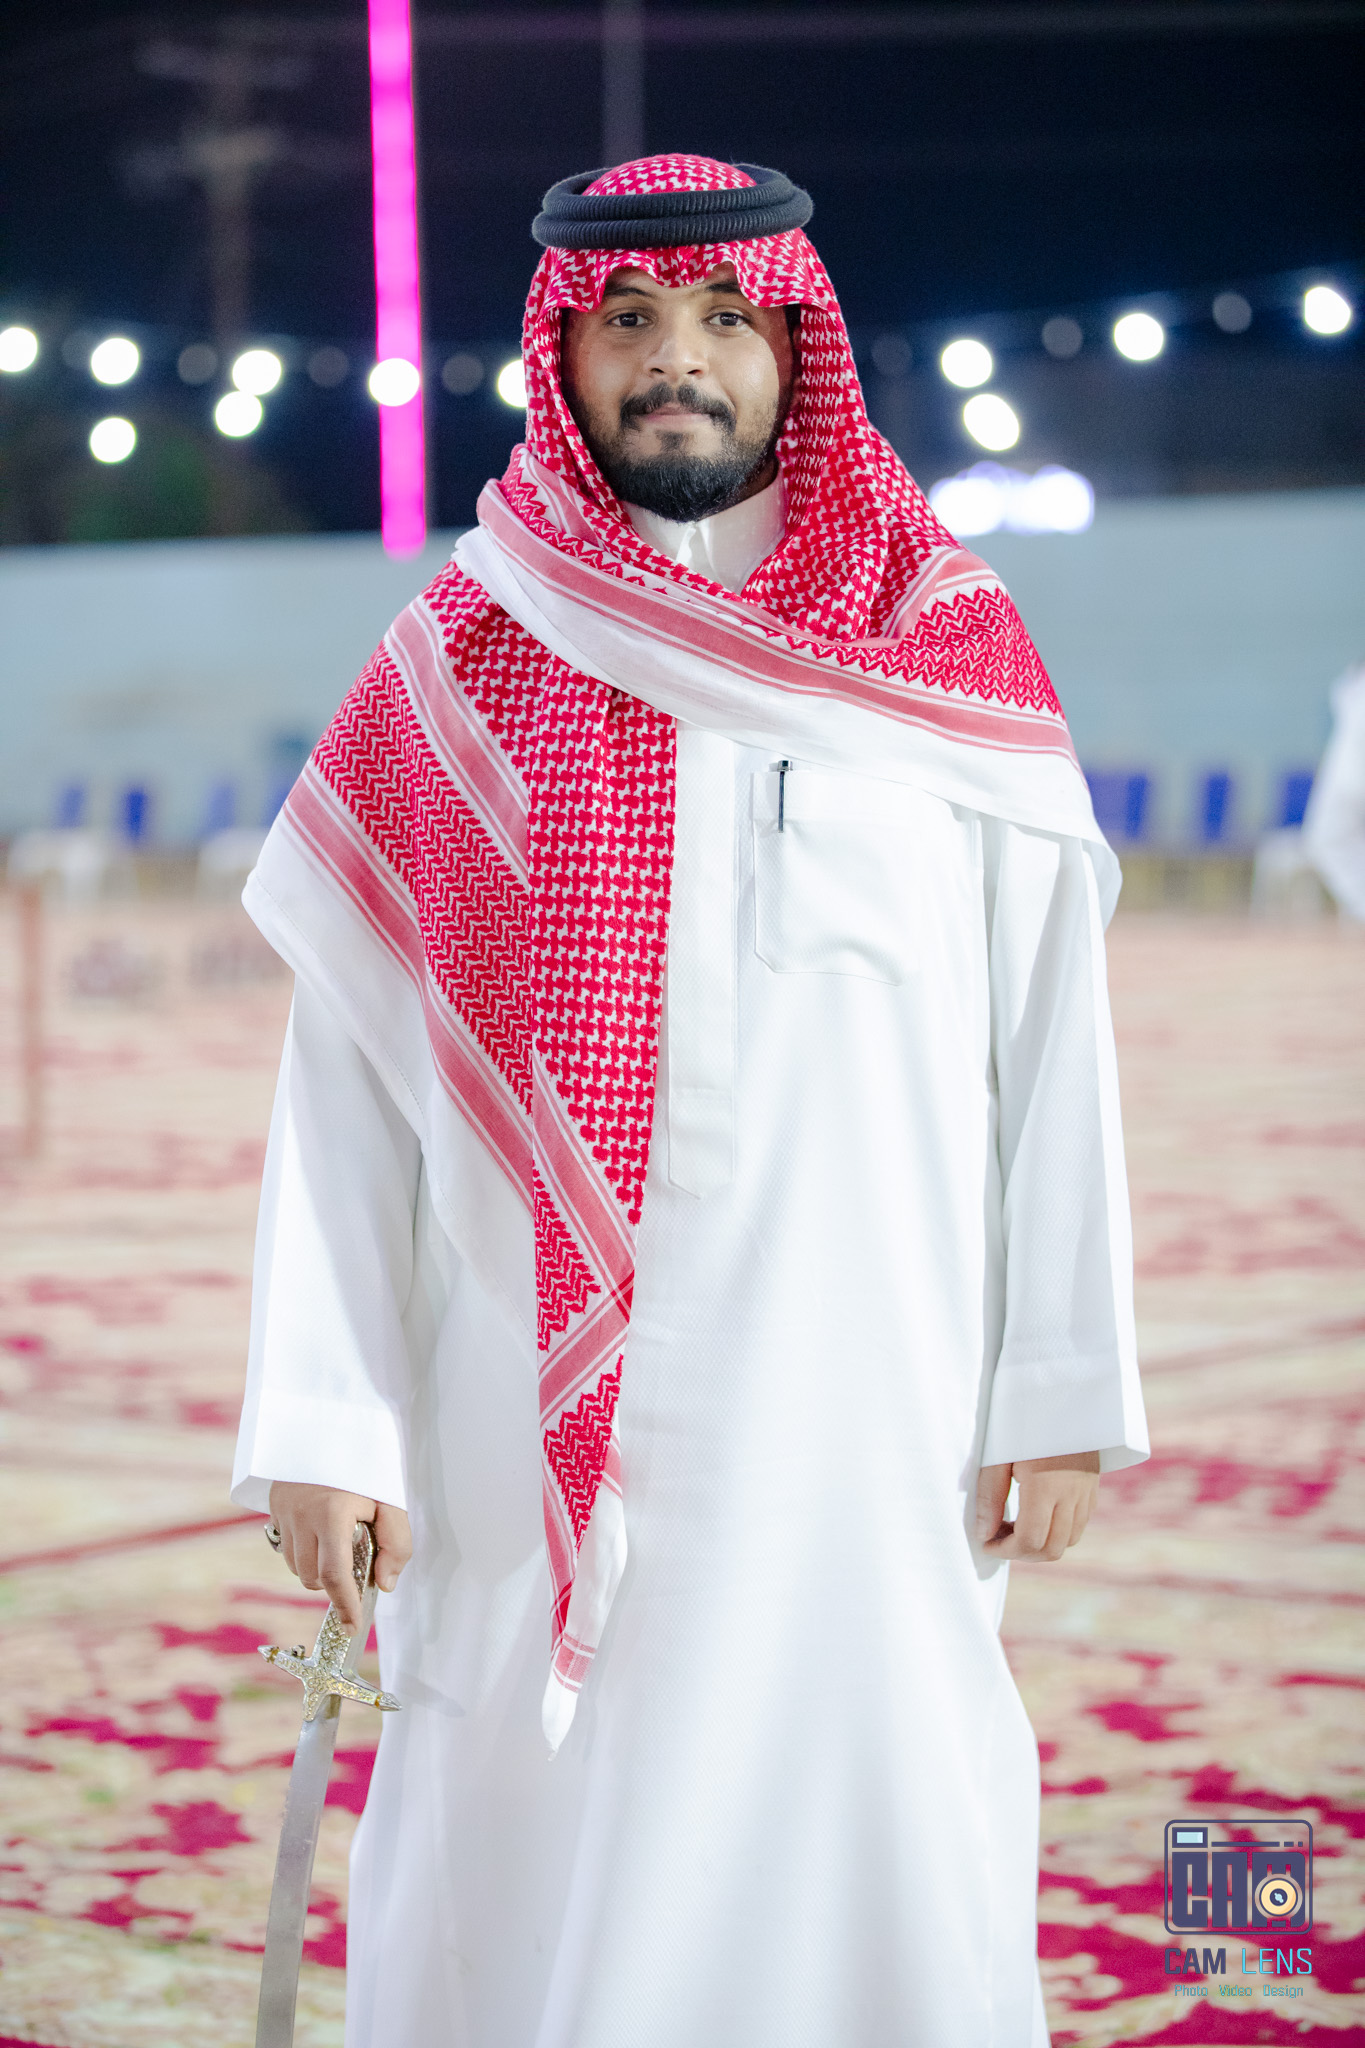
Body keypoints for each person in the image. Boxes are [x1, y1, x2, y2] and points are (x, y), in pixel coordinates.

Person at [232, 155, 1148, 2048]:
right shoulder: (460, 655)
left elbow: (1053, 1041)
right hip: (515, 1402)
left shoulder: (944, 644)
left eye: (728, 318)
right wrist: (326, 1417)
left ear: (796, 350)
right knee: (525, 1821)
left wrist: (1058, 1386)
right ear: (558, 359)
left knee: (878, 1796)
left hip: (875, 1402)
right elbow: (348, 1077)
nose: (679, 361)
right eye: (629, 322)